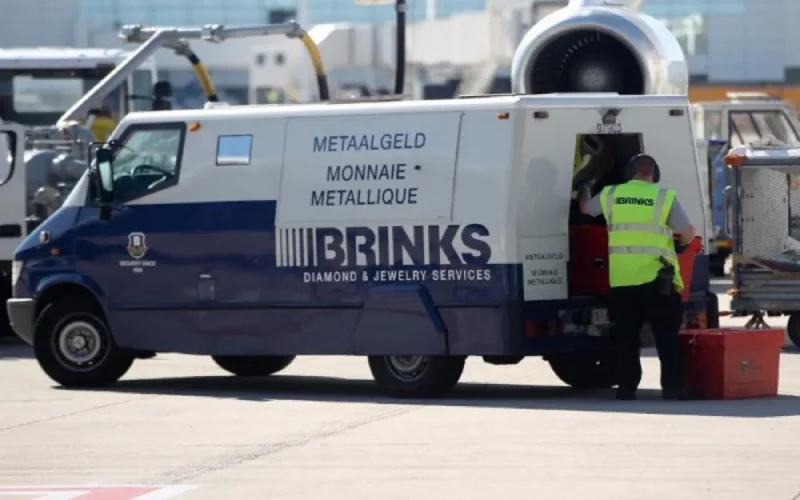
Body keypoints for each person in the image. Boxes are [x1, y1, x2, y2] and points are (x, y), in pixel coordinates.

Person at [579, 153, 700, 401]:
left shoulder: (611, 194)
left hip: (623, 281)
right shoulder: (664, 197)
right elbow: (688, 232)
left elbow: (584, 209)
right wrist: (679, 246)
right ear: (654, 174)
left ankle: (626, 389)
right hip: (659, 281)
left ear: (629, 172)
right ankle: (672, 388)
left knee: (626, 339)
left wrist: (585, 188)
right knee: (666, 337)